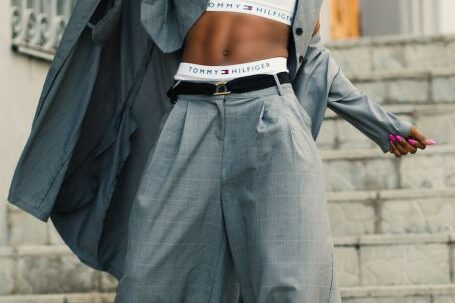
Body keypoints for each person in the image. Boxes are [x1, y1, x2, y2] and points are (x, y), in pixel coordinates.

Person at [112, 0, 432, 302]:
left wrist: (384, 127)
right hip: (189, 115)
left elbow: (316, 59)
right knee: (147, 278)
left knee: (291, 282)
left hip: (270, 117)